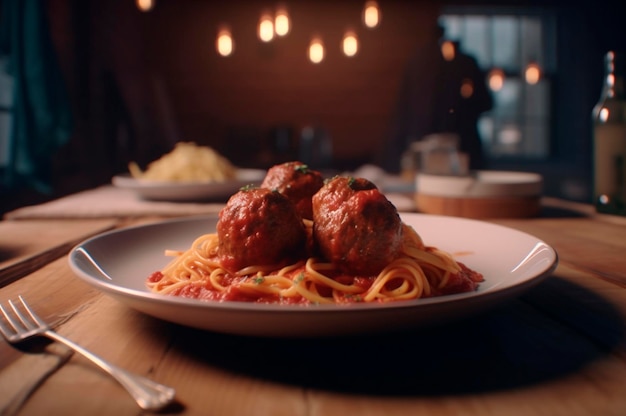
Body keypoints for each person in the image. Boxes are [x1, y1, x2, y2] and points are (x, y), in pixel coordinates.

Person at [380, 24, 493, 173]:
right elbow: (403, 109)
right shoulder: (418, 64)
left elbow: (485, 102)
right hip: (425, 148)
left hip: (460, 148)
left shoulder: (463, 64)